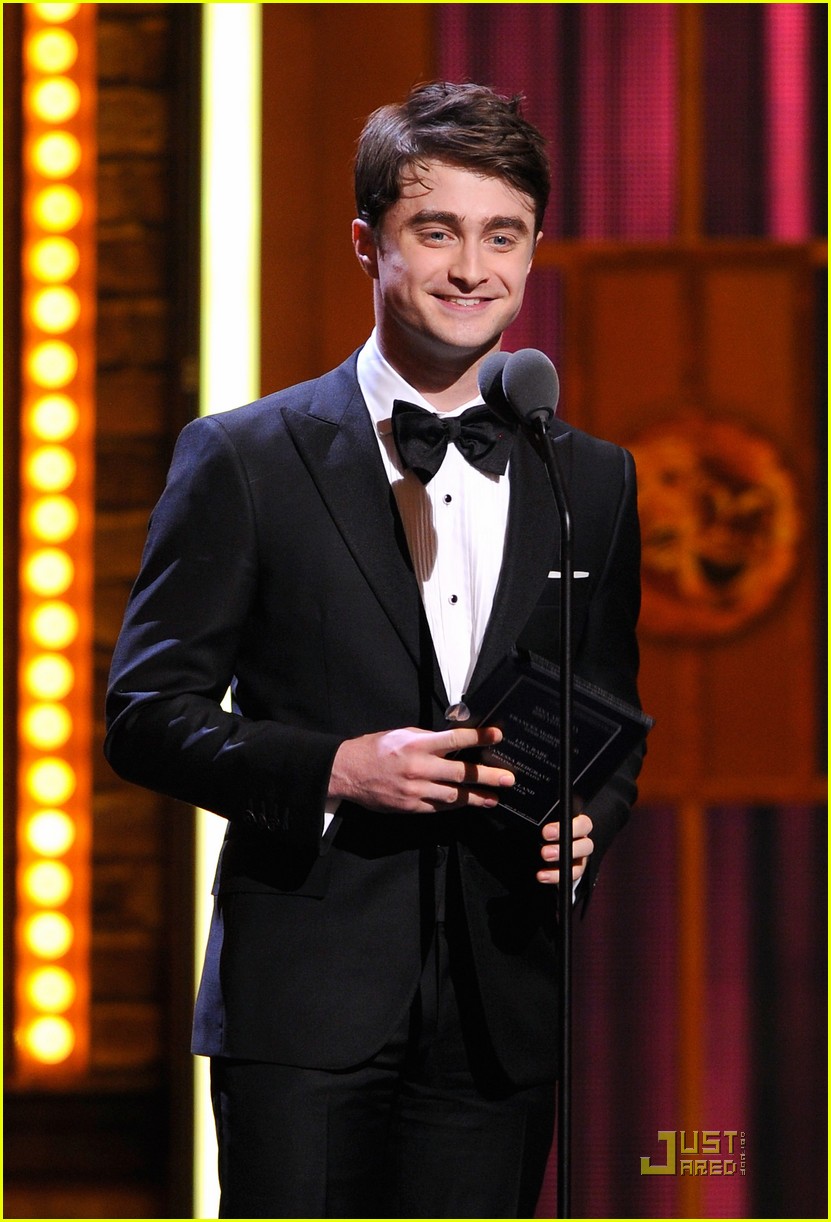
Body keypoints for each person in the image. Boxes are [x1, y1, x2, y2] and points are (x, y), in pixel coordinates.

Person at [105, 81, 643, 1219]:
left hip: (502, 1004)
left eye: (503, 235)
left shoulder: (589, 478)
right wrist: (335, 767)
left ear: (536, 249)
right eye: (434, 231)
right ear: (368, 244)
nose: (471, 268)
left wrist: (588, 823)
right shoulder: (246, 456)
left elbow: (609, 717)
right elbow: (147, 713)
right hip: (302, 1002)